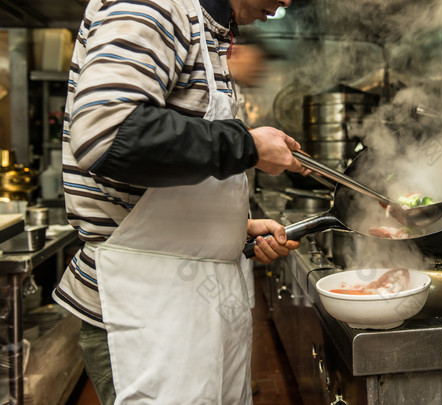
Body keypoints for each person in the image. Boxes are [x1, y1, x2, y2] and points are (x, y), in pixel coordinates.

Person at [51, 0, 304, 404]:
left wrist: (228, 231)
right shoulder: (154, 3)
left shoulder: (209, 31)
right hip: (149, 312)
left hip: (193, 310)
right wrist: (247, 144)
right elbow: (107, 135)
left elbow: (171, 166)